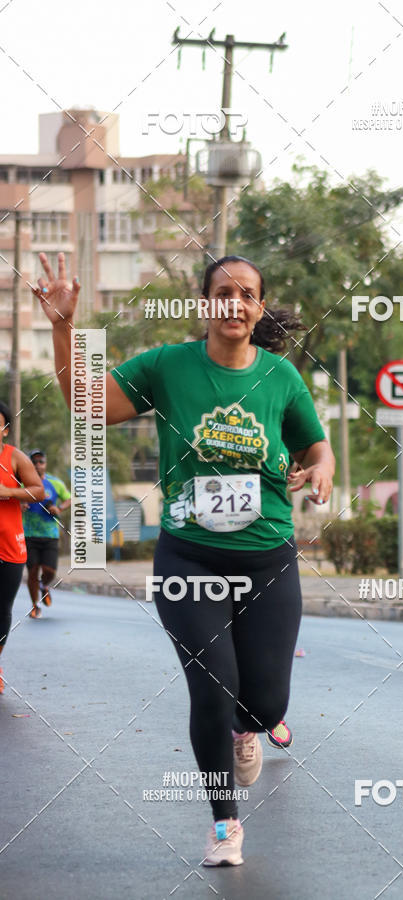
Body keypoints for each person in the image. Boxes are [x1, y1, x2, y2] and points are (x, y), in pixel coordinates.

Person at [34, 250, 335, 866]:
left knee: (265, 702)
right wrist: (64, 326)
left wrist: (323, 470)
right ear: (206, 305)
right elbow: (89, 404)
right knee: (211, 688)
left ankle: (251, 726)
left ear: (256, 308)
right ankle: (225, 824)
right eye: (224, 291)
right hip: (189, 558)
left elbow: (316, 444)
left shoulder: (280, 377)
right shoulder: (169, 366)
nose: (236, 302)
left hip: (267, 557)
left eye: (248, 293)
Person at [0, 401, 45, 694]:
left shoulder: (14, 457)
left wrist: (9, 492)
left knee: (1, 608)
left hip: (8, 547)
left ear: (4, 429)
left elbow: (38, 490)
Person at [22, 450, 71, 618]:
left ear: (45, 464)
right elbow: (10, 498)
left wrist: (59, 508)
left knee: (49, 571)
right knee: (33, 571)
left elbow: (69, 498)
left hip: (50, 534)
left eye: (40, 462)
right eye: (34, 462)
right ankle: (35, 605)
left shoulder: (55, 483)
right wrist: (20, 504)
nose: (37, 465)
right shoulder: (23, 484)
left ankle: (44, 586)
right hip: (29, 534)